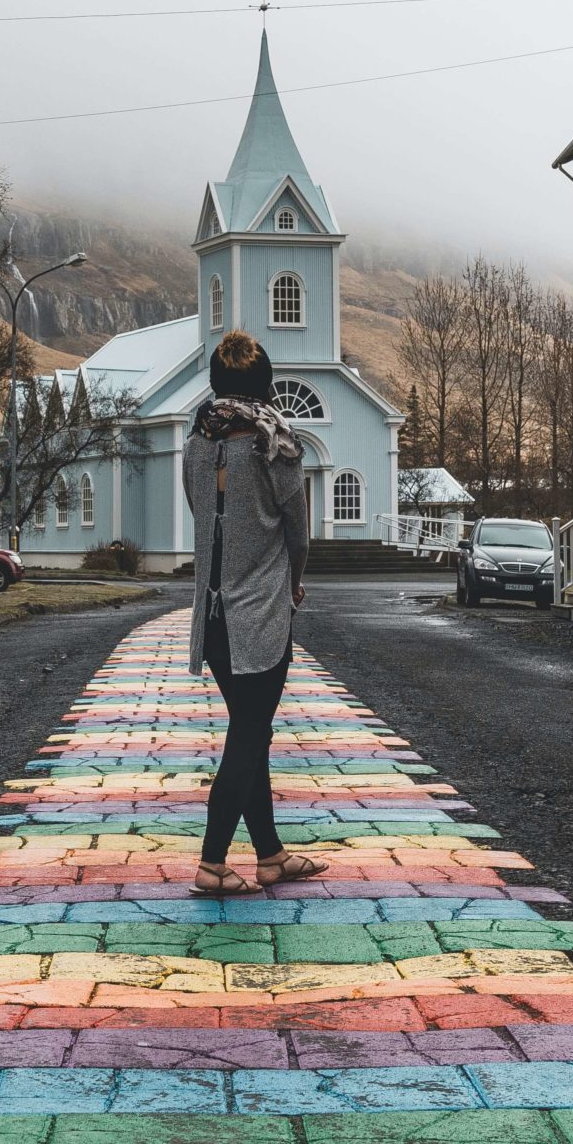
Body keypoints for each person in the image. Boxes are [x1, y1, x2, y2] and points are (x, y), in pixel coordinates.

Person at [182, 329, 326, 895]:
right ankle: (213, 862)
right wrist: (293, 581)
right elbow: (297, 529)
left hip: (211, 614)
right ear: (265, 385)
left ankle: (270, 856)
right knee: (250, 731)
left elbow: (200, 510)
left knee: (251, 730)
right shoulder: (276, 444)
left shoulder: (196, 442)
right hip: (260, 610)